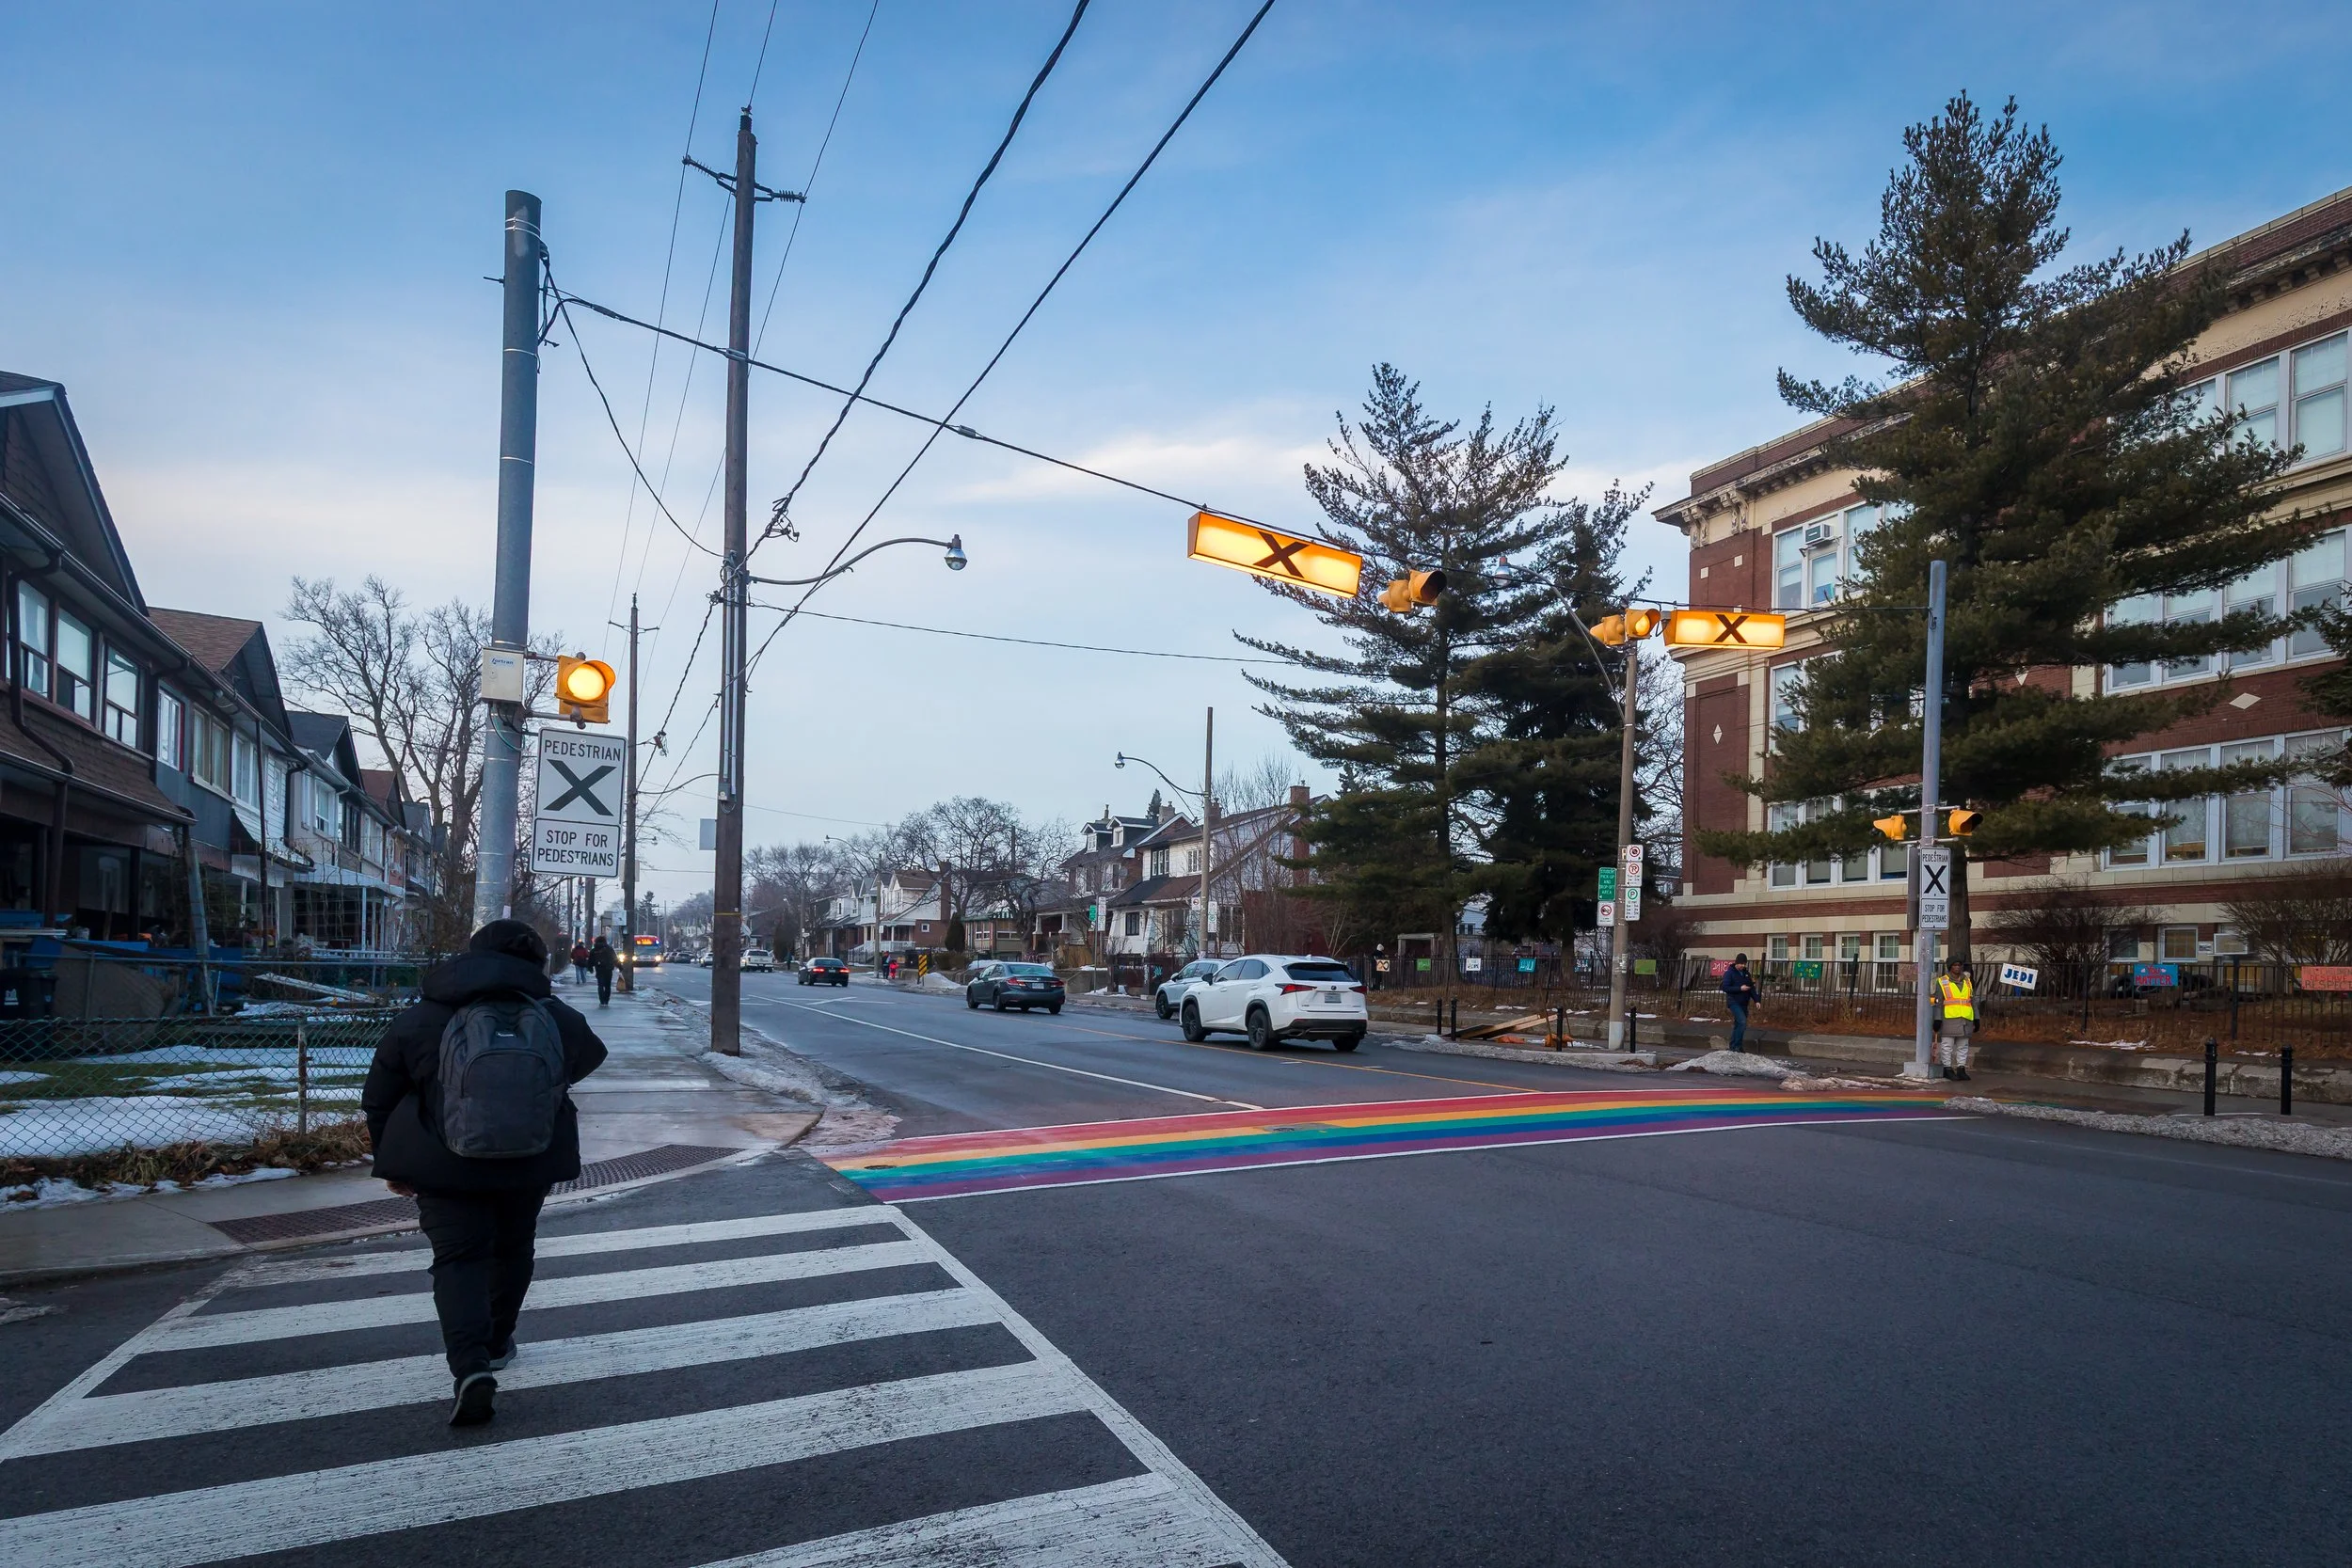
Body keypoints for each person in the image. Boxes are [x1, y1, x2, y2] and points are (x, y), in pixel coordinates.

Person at [362, 919, 607, 1427]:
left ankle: (470, 1366)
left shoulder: (426, 1014)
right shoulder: (552, 1014)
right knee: (514, 1248)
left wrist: (391, 1158)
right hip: (529, 1159)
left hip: (442, 1164)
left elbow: (380, 1093)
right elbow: (591, 1053)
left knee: (458, 1260)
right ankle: (498, 1341)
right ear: (536, 963)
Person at [1935, 956, 1977, 1081]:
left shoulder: (1967, 981)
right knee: (1947, 1046)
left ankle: (1961, 1068)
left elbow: (1972, 1001)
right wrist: (1937, 1019)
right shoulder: (1942, 981)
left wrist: (1977, 1018)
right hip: (1949, 1019)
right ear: (1950, 967)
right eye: (1955, 965)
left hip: (1965, 1019)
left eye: (1959, 965)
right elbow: (1938, 1003)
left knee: (1963, 1046)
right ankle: (1947, 1068)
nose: (1957, 967)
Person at [1721, 954, 1758, 1053]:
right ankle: (1736, 1046)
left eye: (1744, 964)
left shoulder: (1746, 973)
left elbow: (1751, 988)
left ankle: (1735, 1046)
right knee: (1742, 1022)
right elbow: (1725, 987)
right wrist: (1740, 988)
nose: (1742, 966)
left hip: (1744, 1002)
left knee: (1739, 1024)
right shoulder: (1730, 973)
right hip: (1734, 1001)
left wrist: (1757, 1000)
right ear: (1736, 963)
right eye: (1741, 963)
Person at [590, 935, 618, 1007]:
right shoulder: (609, 949)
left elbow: (591, 960)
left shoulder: (594, 950)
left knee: (600, 985)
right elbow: (615, 959)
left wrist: (590, 968)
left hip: (599, 969)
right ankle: (606, 1000)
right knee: (608, 986)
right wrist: (620, 967)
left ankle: (602, 1001)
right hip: (608, 970)